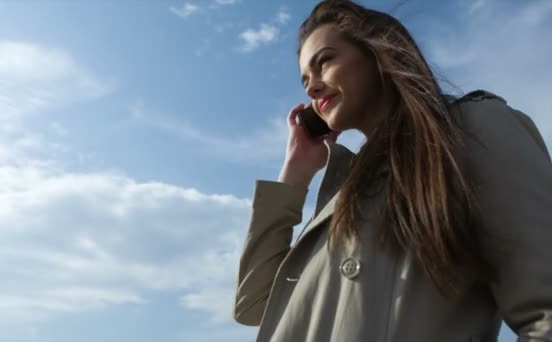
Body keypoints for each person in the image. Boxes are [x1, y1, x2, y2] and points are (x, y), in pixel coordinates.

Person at [233, 0, 552, 341]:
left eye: (324, 61)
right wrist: (294, 176)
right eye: (305, 80)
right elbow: (253, 305)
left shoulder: (471, 128)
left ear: (378, 53)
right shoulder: (341, 194)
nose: (311, 87)